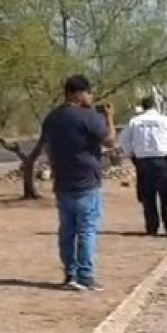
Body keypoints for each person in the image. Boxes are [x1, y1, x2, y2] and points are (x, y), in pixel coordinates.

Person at [41, 74, 116, 291]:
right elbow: (110, 140)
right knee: (86, 229)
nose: (91, 97)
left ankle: (70, 274)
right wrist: (109, 117)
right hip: (86, 183)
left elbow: (47, 145)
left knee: (67, 230)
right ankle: (85, 275)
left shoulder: (52, 117)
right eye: (89, 93)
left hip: (63, 182)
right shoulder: (88, 116)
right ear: (78, 94)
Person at [119, 96, 167, 236]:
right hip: (162, 160)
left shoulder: (135, 121)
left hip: (143, 161)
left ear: (143, 106)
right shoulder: (164, 120)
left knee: (147, 196)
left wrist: (131, 153)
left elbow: (123, 139)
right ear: (155, 106)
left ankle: (152, 228)